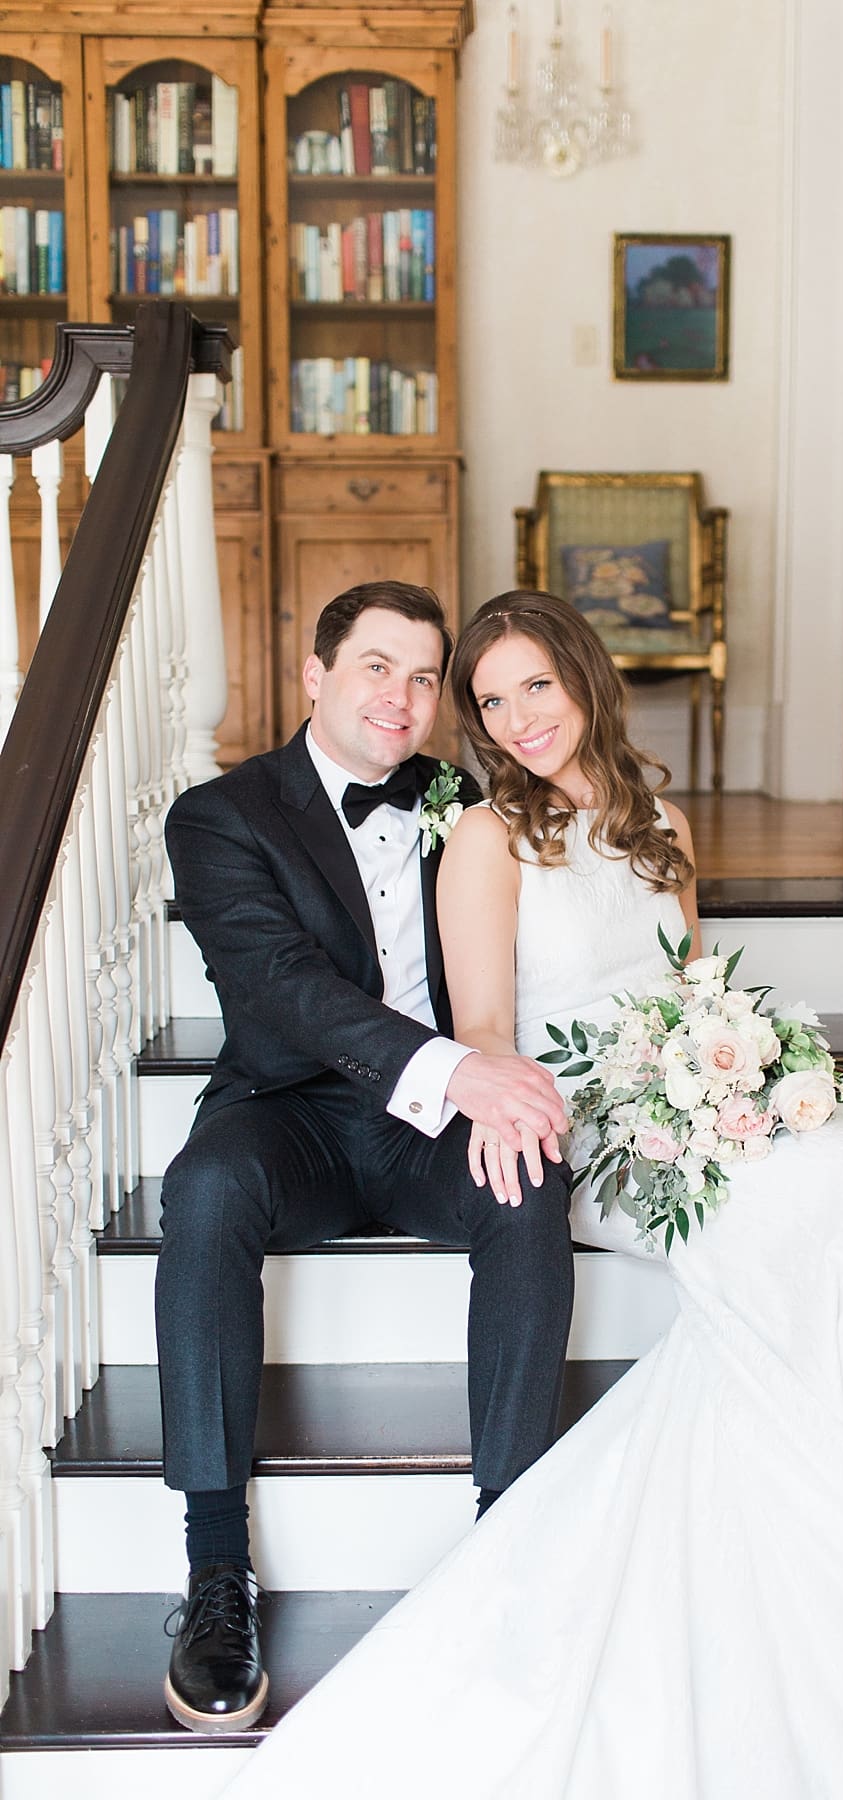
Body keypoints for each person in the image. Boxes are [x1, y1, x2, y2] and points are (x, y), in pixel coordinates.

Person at [220, 592, 843, 1797]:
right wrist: (521, 1103)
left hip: (687, 1095)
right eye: (488, 700)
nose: (514, 717)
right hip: (596, 1125)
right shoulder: (488, 835)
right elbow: (483, 1024)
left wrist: (740, 1069)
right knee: (839, 1198)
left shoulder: (662, 826)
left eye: (532, 685)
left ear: (584, 678)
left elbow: (694, 987)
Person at [156, 581, 575, 1735]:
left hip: (430, 1120)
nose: (402, 696)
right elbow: (281, 993)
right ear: (316, 673)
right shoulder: (221, 814)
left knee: (530, 1174)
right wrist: (458, 1072)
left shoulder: (456, 797)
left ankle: (511, 1534)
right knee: (199, 1189)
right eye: (377, 666)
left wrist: (490, 1079)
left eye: (426, 676)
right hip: (289, 1112)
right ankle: (212, 1574)